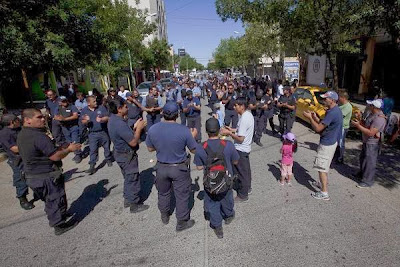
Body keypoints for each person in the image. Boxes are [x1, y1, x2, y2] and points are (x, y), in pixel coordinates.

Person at [17, 109, 81, 235]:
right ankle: (59, 225)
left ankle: (60, 215)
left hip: (33, 176)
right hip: (45, 176)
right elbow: (55, 156)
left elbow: (41, 151)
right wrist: (69, 149)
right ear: (27, 120)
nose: (43, 119)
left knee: (50, 199)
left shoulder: (23, 134)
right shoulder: (38, 136)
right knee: (54, 199)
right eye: (39, 117)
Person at [145, 102, 198, 232]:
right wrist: (193, 137)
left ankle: (164, 215)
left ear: (163, 113)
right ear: (177, 114)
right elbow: (194, 150)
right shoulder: (184, 130)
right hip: (179, 168)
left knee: (163, 192)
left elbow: (150, 148)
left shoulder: (153, 129)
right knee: (182, 195)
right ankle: (181, 222)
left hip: (161, 167)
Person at [194, 118, 239, 239]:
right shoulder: (228, 145)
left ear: (206, 131)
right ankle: (229, 215)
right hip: (226, 179)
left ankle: (217, 226)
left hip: (210, 182)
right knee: (227, 197)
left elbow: (198, 167)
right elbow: (235, 161)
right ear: (219, 130)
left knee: (213, 203)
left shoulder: (200, 147)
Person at [107, 99, 149, 213]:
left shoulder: (113, 120)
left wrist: (133, 127)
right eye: (125, 107)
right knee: (132, 178)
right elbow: (133, 142)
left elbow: (124, 135)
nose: (128, 108)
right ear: (119, 109)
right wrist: (139, 129)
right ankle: (134, 204)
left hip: (120, 154)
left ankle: (128, 198)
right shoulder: (119, 123)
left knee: (127, 178)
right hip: (126, 155)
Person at [303, 91, 343, 200]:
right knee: (324, 166)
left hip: (327, 143)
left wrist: (310, 118)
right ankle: (322, 184)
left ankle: (324, 192)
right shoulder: (334, 110)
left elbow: (318, 128)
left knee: (322, 168)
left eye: (326, 99)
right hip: (331, 141)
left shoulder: (332, 112)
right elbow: (324, 123)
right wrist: (315, 118)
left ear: (333, 100)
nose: (324, 100)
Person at [220, 97, 254, 202]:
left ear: (242, 106)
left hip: (241, 149)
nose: (234, 107)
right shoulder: (247, 115)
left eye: (236, 105)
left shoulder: (244, 118)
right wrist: (232, 129)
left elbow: (240, 138)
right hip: (245, 148)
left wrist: (229, 133)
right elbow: (240, 131)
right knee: (246, 171)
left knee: (241, 172)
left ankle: (243, 195)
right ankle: (247, 188)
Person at [0, 114, 34, 210]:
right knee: (21, 179)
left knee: (36, 175)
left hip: (28, 156)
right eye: (16, 119)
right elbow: (14, 149)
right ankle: (22, 198)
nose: (19, 120)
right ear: (11, 122)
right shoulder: (4, 134)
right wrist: (33, 146)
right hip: (17, 160)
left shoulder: (20, 128)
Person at [351, 99, 386, 188]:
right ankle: (362, 174)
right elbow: (366, 124)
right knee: (363, 158)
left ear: (374, 107)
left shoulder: (379, 119)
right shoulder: (372, 114)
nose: (368, 106)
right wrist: (359, 119)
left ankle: (368, 181)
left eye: (370, 105)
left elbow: (371, 133)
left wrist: (358, 126)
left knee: (370, 162)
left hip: (372, 143)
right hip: (366, 141)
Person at [81, 96, 113, 174]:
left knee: (106, 146)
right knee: (93, 149)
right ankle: (92, 165)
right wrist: (86, 121)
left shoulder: (101, 108)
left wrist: (102, 119)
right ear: (89, 103)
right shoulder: (84, 110)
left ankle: (108, 159)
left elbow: (107, 117)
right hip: (93, 134)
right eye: (94, 101)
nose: (96, 103)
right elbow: (82, 121)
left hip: (103, 131)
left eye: (96, 101)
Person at [54, 96, 82, 163]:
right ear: (59, 102)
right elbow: (55, 116)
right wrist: (59, 118)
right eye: (63, 101)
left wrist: (64, 119)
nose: (65, 102)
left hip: (73, 126)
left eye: (65, 101)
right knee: (69, 141)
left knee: (75, 140)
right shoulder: (58, 108)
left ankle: (78, 155)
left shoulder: (72, 107)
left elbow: (75, 116)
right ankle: (76, 152)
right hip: (64, 127)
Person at [336, 91, 352, 164]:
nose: (338, 99)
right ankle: (336, 156)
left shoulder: (348, 106)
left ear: (343, 98)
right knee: (337, 142)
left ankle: (340, 158)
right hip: (339, 126)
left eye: (339, 97)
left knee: (341, 143)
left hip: (343, 127)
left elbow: (340, 116)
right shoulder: (341, 105)